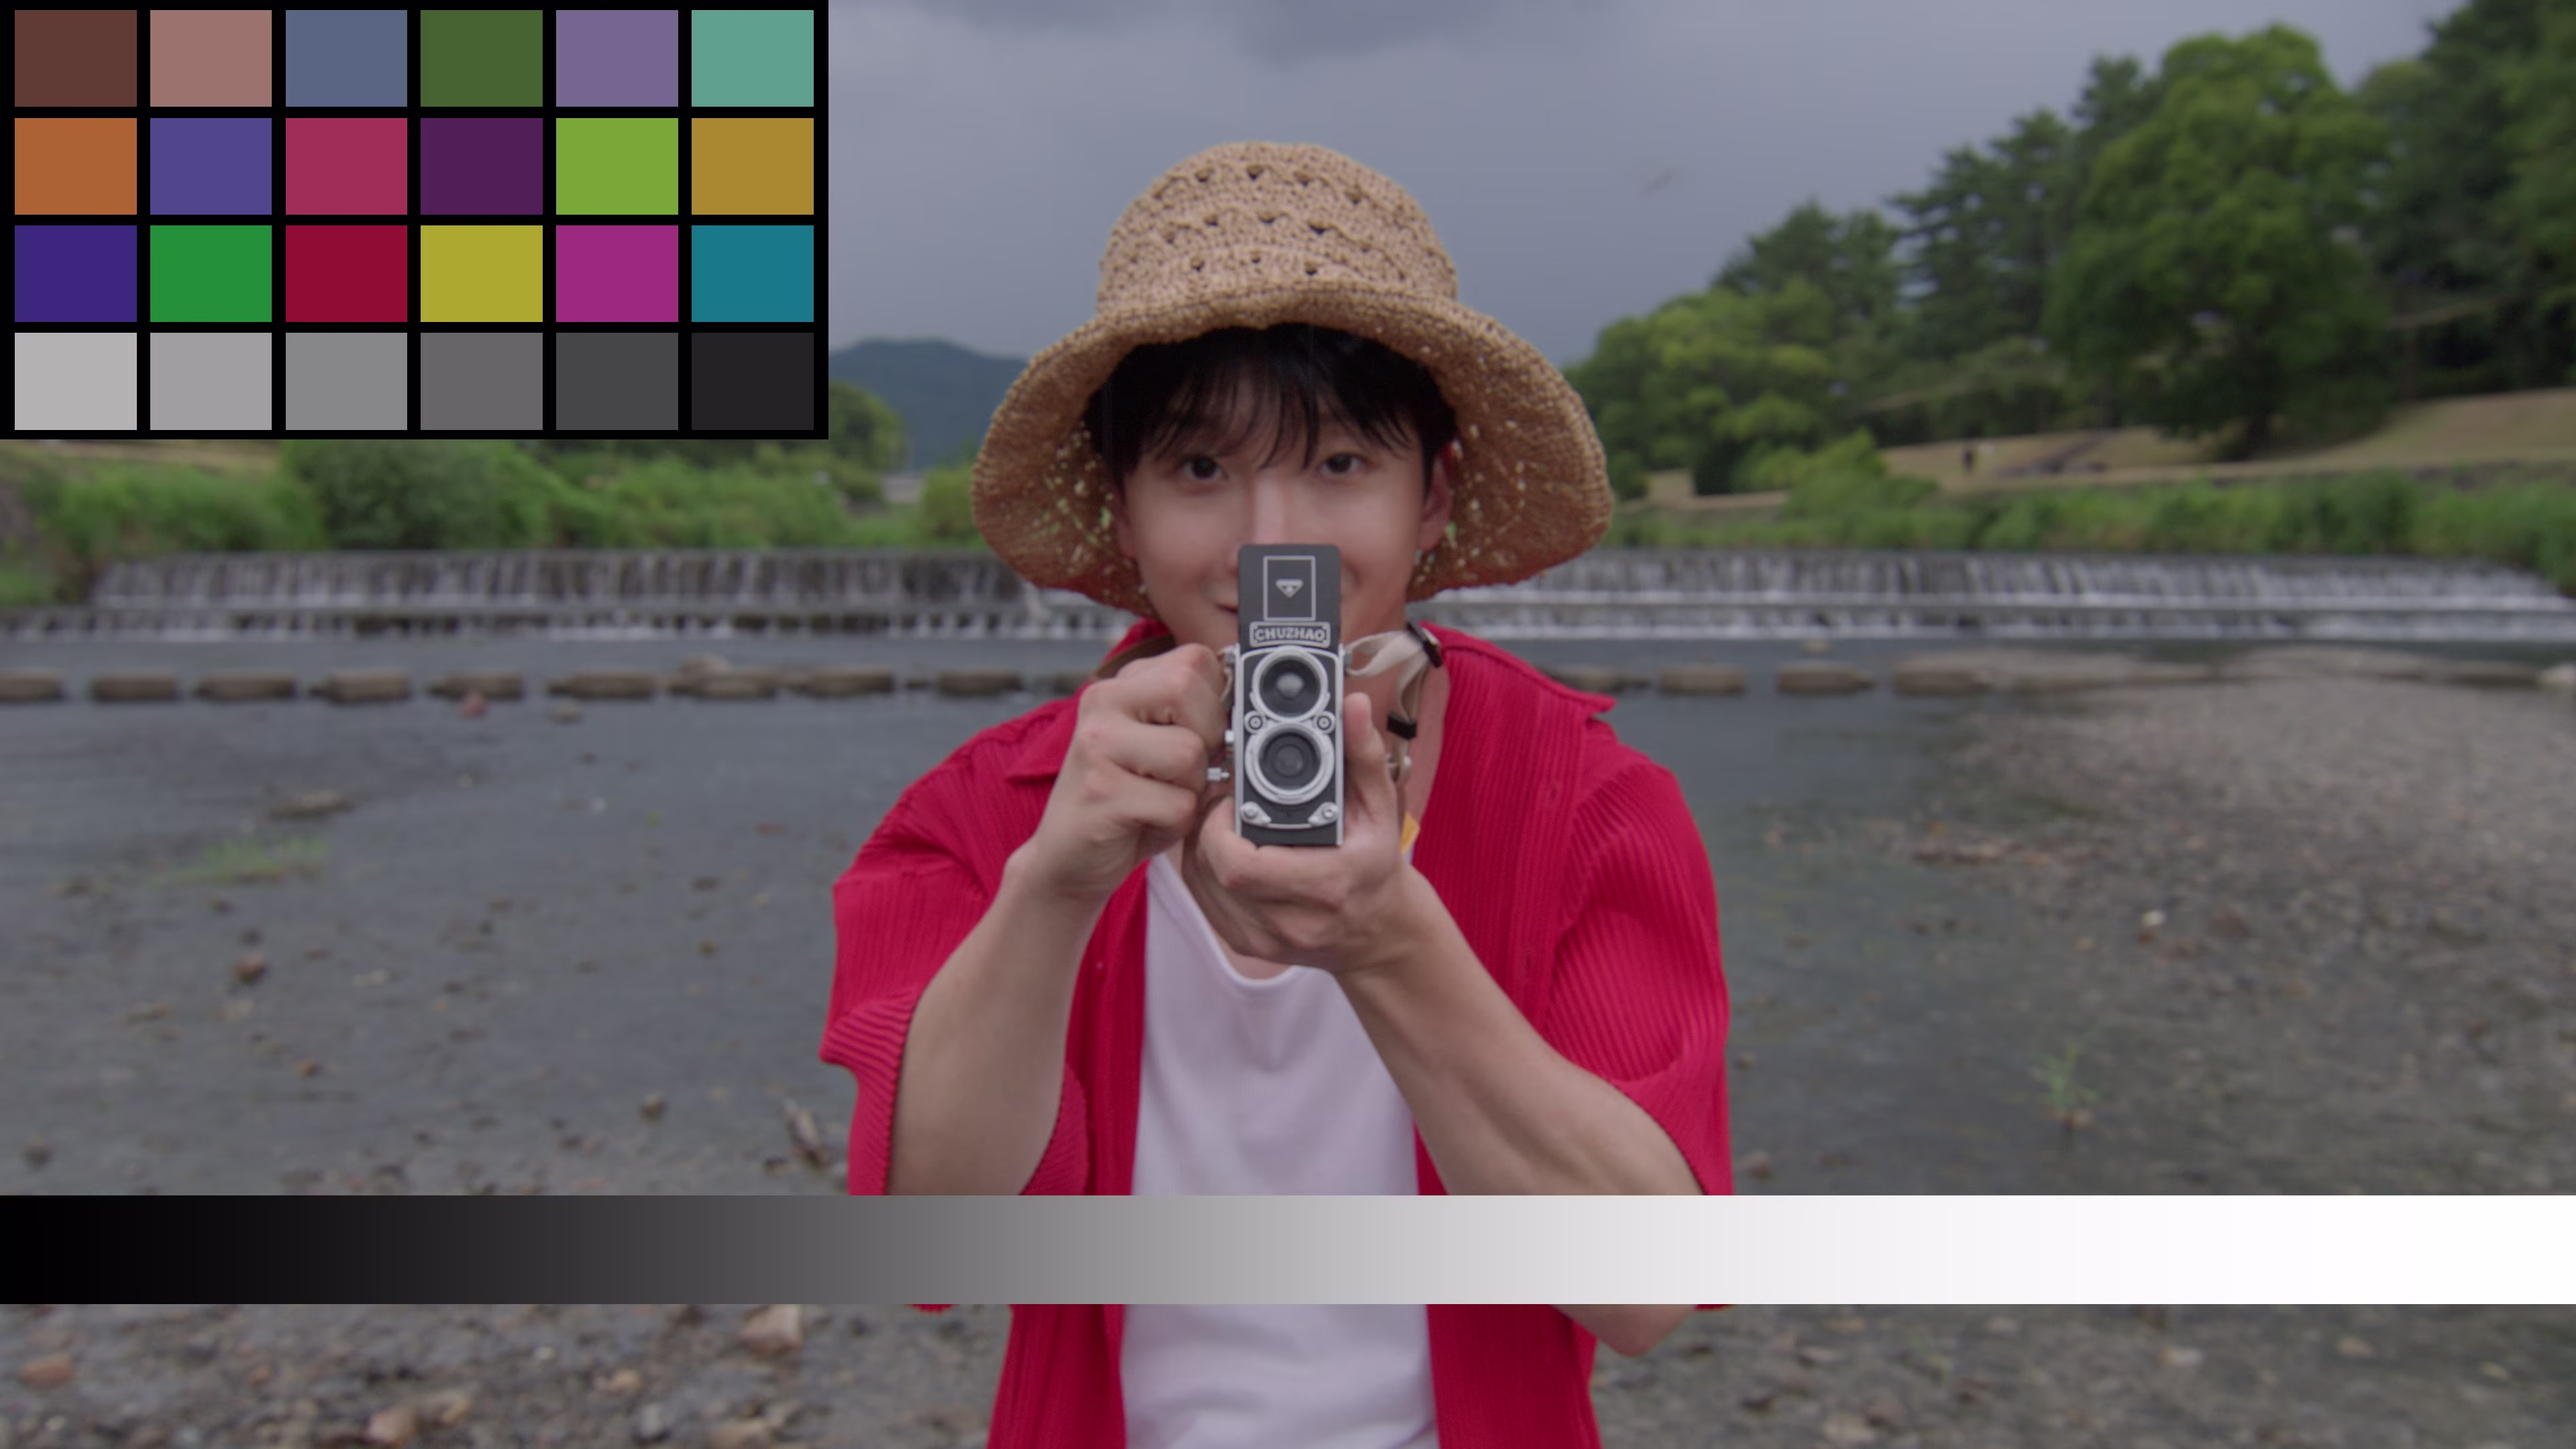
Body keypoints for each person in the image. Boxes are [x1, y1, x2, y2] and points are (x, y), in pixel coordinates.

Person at [819, 142, 1732, 1449]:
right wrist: (1054, 887)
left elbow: (1647, 1300)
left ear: (1438, 497)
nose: (1271, 539)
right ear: (1125, 512)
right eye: (1200, 471)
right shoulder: (985, 810)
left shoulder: (1586, 800)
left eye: (1342, 465)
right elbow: (932, 1241)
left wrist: (1393, 942)